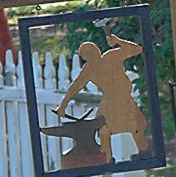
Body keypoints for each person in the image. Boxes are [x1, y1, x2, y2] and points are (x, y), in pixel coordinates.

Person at [54, 28, 151, 161]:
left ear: (96, 52)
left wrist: (118, 41)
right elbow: (75, 86)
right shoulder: (89, 69)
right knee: (103, 128)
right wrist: (62, 105)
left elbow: (137, 49)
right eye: (87, 58)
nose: (90, 59)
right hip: (109, 101)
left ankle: (143, 152)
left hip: (124, 99)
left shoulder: (112, 56)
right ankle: (107, 158)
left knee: (136, 126)